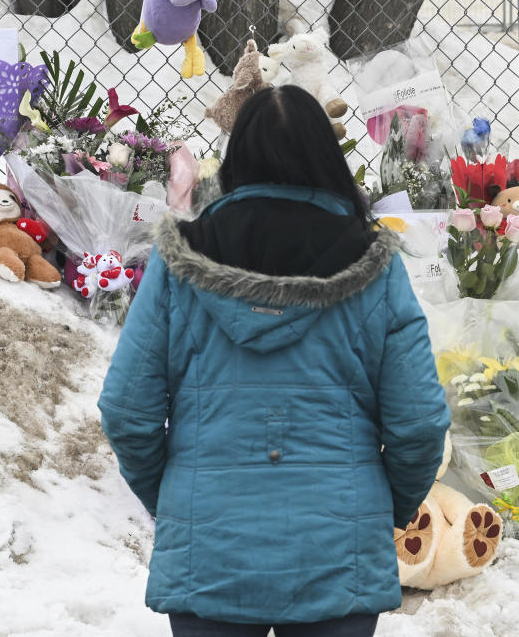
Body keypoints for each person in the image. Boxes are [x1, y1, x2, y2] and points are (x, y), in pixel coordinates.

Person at [98, 85, 449, 637]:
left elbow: (126, 410)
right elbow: (420, 425)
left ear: (238, 158)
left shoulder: (178, 262)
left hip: (209, 551)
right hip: (339, 552)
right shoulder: (375, 266)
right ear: (327, 159)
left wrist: (174, 501)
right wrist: (384, 511)